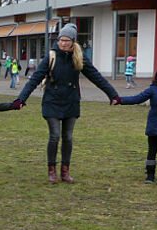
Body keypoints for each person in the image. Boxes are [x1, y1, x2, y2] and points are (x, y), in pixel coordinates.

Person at [12, 23, 121, 183]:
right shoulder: (51, 56)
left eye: (66, 40)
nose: (63, 43)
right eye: (61, 40)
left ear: (73, 41)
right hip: (52, 101)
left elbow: (95, 77)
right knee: (54, 136)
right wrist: (21, 98)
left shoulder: (79, 56)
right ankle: (52, 171)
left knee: (68, 137)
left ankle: (65, 170)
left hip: (71, 101)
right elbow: (35, 79)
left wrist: (113, 94)